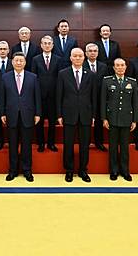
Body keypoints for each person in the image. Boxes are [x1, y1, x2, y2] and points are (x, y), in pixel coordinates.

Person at [57, 47, 96, 183]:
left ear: (84, 58)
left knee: (84, 144)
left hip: (86, 114)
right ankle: (69, 170)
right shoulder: (63, 73)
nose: (78, 58)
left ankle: (83, 170)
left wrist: (93, 116)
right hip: (68, 114)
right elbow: (59, 95)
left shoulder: (90, 74)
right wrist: (59, 115)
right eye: (75, 56)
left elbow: (93, 97)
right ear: (70, 58)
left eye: (80, 56)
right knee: (68, 144)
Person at [0, 52, 41, 182]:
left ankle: (27, 170)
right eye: (16, 60)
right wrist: (2, 113)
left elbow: (37, 97)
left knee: (26, 145)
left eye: (21, 60)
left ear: (25, 62)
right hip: (11, 115)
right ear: (12, 62)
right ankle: (12, 171)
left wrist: (38, 113)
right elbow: (2, 97)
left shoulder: (33, 77)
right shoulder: (5, 77)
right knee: (12, 145)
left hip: (28, 115)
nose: (18, 63)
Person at [100, 58, 138, 181]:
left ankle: (125, 171)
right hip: (112, 118)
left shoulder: (132, 82)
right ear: (114, 68)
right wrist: (104, 118)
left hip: (127, 118)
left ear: (126, 67)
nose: (120, 67)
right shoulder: (107, 81)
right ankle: (114, 170)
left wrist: (135, 120)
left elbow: (135, 103)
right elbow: (103, 101)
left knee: (125, 147)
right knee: (113, 146)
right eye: (117, 65)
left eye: (122, 65)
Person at [31, 35, 61, 152]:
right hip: (39, 96)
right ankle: (41, 143)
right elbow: (33, 78)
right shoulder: (35, 59)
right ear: (41, 45)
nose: (47, 45)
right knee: (39, 121)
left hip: (53, 96)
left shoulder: (58, 59)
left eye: (49, 43)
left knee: (52, 122)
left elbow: (59, 78)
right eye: (45, 43)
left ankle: (51, 143)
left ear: (52, 45)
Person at [84, 42, 109, 151]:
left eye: (95, 51)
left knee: (99, 121)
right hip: (85, 98)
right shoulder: (82, 65)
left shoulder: (103, 66)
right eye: (90, 51)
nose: (92, 53)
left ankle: (99, 142)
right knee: (85, 121)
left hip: (99, 98)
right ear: (86, 53)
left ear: (98, 53)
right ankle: (86, 142)